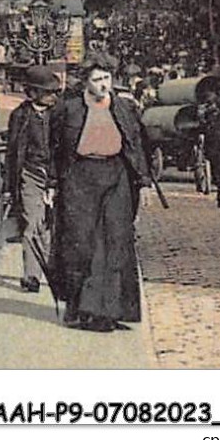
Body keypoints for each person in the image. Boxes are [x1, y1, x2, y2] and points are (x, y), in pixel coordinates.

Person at [48, 65, 148, 332]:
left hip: (116, 175)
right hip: (80, 176)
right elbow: (54, 147)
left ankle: (111, 311)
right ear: (86, 82)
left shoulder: (124, 107)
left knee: (117, 240)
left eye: (107, 78)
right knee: (81, 242)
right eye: (97, 79)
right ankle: (80, 308)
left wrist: (141, 178)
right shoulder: (68, 108)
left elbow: (136, 143)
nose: (103, 84)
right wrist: (53, 182)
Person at [6, 65, 59, 293]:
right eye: (48, 92)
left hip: (58, 177)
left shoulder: (60, 113)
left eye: (55, 92)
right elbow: (12, 152)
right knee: (33, 223)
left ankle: (53, 271)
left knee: (51, 227)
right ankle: (31, 276)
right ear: (34, 93)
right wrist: (9, 186)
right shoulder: (20, 115)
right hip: (31, 174)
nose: (53, 96)